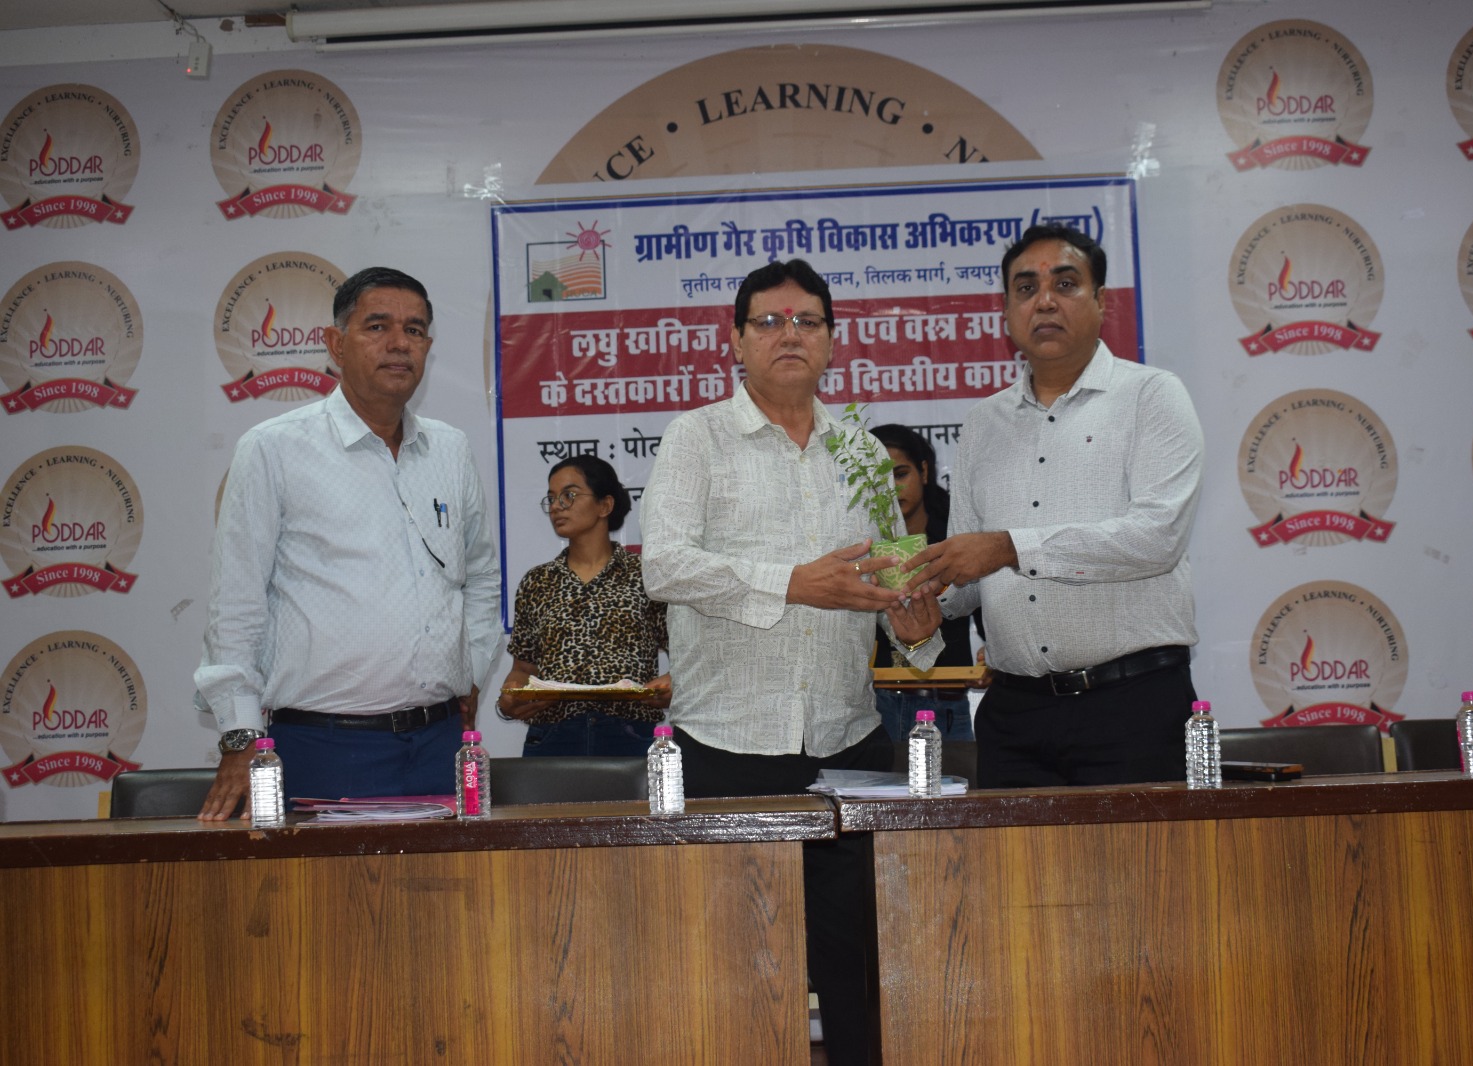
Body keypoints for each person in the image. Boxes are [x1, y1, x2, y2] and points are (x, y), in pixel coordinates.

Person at [640, 258, 944, 1066]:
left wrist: (916, 627)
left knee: (860, 970)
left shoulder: (863, 453)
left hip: (847, 742)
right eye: (769, 322)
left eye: (807, 321)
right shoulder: (696, 437)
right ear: (736, 340)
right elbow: (663, 565)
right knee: (736, 972)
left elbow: (893, 585)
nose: (789, 335)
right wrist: (791, 583)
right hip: (725, 746)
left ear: (833, 341)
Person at [194, 267, 501, 817]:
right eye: (377, 326)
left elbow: (480, 574)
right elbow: (236, 604)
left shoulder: (450, 450)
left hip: (440, 745)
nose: (399, 343)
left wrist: (470, 670)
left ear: (428, 346)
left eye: (414, 329)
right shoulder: (273, 449)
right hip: (322, 746)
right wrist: (240, 736)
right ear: (335, 344)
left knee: (453, 878)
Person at [905, 223, 1203, 789]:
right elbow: (967, 581)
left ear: (1101, 301)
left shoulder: (1152, 396)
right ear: (1006, 312)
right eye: (1025, 288)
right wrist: (928, 607)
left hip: (1134, 706)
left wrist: (1008, 547)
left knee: (1141, 853)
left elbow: (1157, 538)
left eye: (1065, 284)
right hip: (1014, 715)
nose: (1044, 301)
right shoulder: (982, 424)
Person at [495, 455, 670, 755]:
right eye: (552, 498)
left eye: (569, 495)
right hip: (552, 737)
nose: (556, 506)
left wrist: (671, 683)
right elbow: (523, 669)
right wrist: (510, 697)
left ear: (605, 505)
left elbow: (686, 654)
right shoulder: (537, 582)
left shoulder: (645, 576)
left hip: (629, 735)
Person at [868, 424, 981, 742]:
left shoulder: (954, 538)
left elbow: (985, 599)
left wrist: (995, 652)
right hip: (875, 703)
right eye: (879, 479)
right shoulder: (862, 545)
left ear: (924, 471)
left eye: (900, 474)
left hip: (945, 699)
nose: (891, 489)